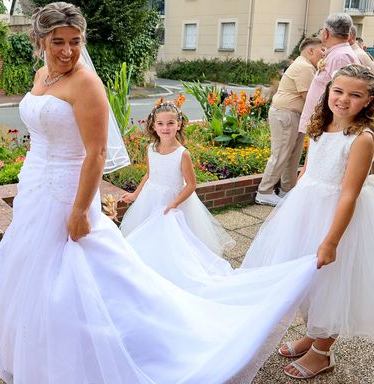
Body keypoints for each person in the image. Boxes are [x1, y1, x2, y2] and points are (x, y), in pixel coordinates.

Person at [0, 2, 318, 384]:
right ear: (39, 40)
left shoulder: (86, 83)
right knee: (38, 274)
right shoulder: (40, 75)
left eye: (75, 41)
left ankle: (116, 347)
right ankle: (49, 353)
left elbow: (95, 152)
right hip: (36, 187)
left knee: (78, 275)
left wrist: (81, 210)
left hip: (68, 190)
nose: (66, 51)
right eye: (57, 42)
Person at [243, 65, 374, 379]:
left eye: (355, 95)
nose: (343, 99)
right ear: (328, 90)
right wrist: (292, 209)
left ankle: (321, 351)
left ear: (369, 101)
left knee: (333, 285)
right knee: (306, 281)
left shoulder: (362, 139)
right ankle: (311, 334)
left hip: (338, 218)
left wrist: (331, 241)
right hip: (306, 208)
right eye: (338, 91)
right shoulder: (320, 124)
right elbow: (307, 170)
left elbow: (348, 195)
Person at [119, 101, 234, 255]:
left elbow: (191, 185)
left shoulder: (182, 154)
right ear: (154, 126)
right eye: (160, 123)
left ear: (178, 125)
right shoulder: (151, 149)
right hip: (150, 197)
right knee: (148, 234)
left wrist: (175, 203)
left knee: (173, 239)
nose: (165, 128)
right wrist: (135, 195)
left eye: (170, 123)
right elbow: (149, 174)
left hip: (174, 201)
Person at [255, 37, 325, 206]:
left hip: (294, 115)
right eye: (322, 50)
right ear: (311, 51)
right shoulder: (304, 67)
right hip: (287, 114)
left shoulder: (305, 65)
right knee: (280, 154)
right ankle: (264, 192)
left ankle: (287, 190)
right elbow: (308, 97)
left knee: (293, 155)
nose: (325, 54)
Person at [299, 12, 359, 134]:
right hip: (322, 125)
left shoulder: (340, 57)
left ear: (326, 33)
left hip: (327, 127)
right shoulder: (337, 54)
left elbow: (342, 96)